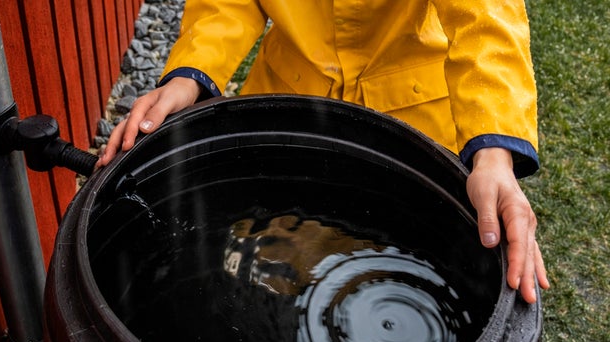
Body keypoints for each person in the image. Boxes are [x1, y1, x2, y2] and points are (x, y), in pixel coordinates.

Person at [97, 0, 549, 304]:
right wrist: (188, 75)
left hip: (410, 129)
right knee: (270, 283)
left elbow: (486, 20)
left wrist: (493, 152)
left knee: (393, 295)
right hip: (285, 117)